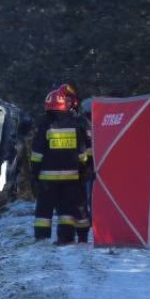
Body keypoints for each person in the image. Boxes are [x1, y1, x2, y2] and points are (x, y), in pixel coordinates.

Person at [30, 87, 91, 245]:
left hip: (47, 177)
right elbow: (81, 151)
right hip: (71, 176)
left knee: (44, 210)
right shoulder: (75, 122)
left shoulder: (44, 123)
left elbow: (37, 152)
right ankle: (65, 237)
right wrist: (83, 167)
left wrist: (34, 172)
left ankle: (41, 238)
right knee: (66, 209)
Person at [60, 83, 92, 243]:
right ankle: (66, 236)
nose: (64, 103)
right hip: (61, 171)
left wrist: (88, 166)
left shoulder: (81, 121)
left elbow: (89, 145)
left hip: (79, 170)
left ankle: (82, 236)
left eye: (67, 100)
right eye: (62, 100)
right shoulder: (56, 120)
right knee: (64, 206)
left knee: (80, 206)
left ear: (73, 102)